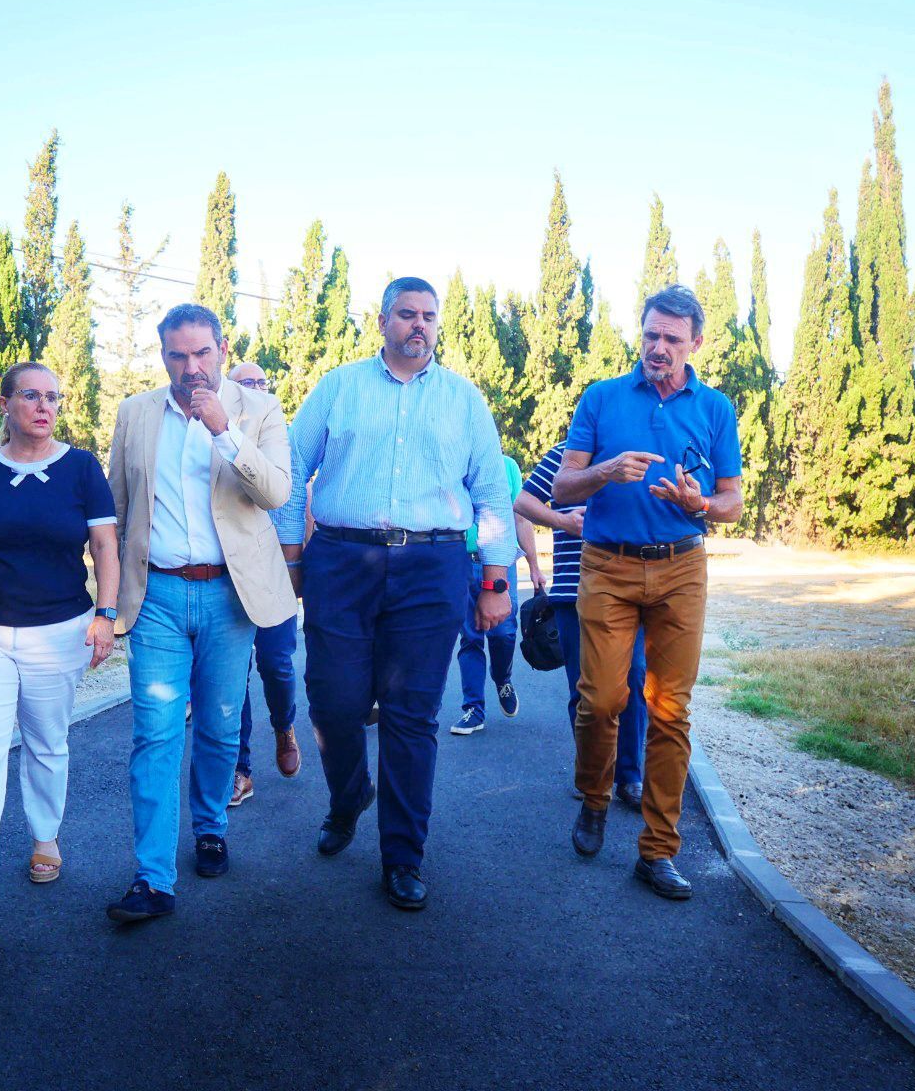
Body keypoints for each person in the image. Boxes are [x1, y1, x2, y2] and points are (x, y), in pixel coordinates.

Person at [278, 277, 515, 911]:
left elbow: (492, 493)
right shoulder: (338, 388)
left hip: (432, 564)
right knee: (332, 701)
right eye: (406, 315)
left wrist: (494, 580)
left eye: (429, 317)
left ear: (438, 325)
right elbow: (293, 467)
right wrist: (291, 555)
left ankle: (403, 855)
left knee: (412, 716)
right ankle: (350, 793)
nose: (419, 325)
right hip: (341, 559)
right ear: (381, 321)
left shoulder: (464, 401)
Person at [103, 304, 294, 923]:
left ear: (222, 348)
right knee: (155, 733)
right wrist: (108, 601)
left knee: (217, 725)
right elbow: (116, 512)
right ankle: (152, 877)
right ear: (162, 356)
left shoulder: (258, 410)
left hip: (228, 595)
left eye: (202, 354)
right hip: (155, 594)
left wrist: (222, 429)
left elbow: (274, 493)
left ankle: (211, 826)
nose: (191, 369)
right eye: (177, 356)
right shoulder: (135, 414)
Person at [553, 284, 743, 900]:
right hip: (607, 566)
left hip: (682, 568)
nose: (658, 348)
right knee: (602, 699)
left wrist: (700, 503)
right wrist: (606, 471)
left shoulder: (715, 409)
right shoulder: (603, 397)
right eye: (651, 335)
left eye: (672, 339)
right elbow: (562, 489)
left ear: (696, 343)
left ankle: (658, 851)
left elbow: (733, 504)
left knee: (670, 711)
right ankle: (595, 797)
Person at [0, 362, 120, 926]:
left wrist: (106, 615)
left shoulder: (82, 468)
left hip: (59, 630)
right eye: (31, 395)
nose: (44, 406)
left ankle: (46, 835)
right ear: (5, 403)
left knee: (45, 741)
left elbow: (105, 545)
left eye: (53, 397)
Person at [516, 440, 648, 805]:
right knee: (584, 689)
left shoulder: (636, 453)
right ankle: (592, 774)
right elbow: (524, 502)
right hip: (573, 593)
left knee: (634, 679)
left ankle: (630, 777)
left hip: (630, 592)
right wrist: (561, 521)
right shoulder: (564, 453)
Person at [226, 361, 302, 808]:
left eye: (260, 382)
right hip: (228, 576)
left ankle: (284, 725)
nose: (255, 390)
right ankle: (241, 769)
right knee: (233, 677)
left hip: (272, 575)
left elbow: (294, 504)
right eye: (245, 384)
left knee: (276, 664)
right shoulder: (214, 436)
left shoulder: (277, 433)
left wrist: (296, 567)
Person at [449, 454, 544, 735]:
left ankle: (503, 678)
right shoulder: (451, 465)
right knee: (471, 636)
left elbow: (521, 519)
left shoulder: (507, 466)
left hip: (501, 561)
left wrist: (535, 566)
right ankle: (473, 709)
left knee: (503, 633)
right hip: (463, 561)